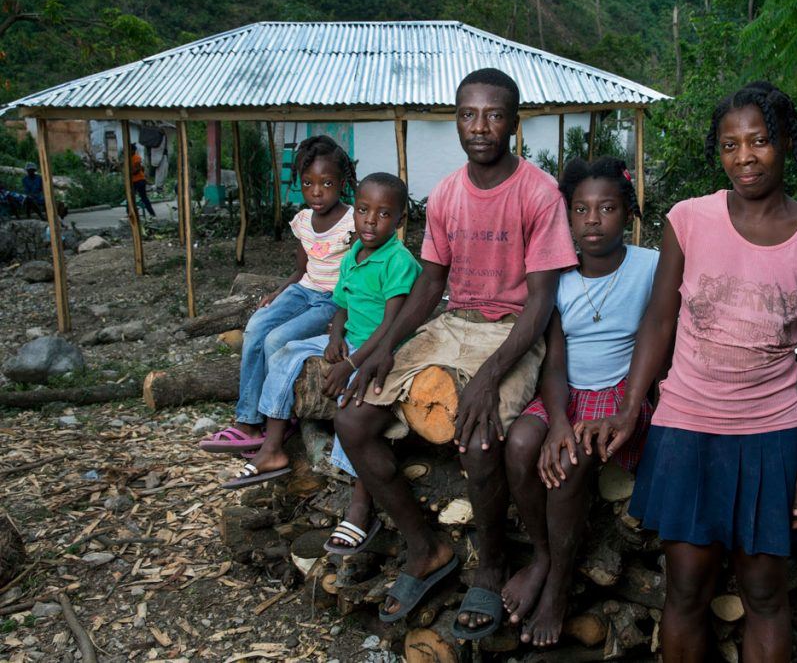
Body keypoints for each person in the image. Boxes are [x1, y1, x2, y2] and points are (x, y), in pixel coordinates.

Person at [576, 81, 797, 661]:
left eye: (759, 141)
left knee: (766, 595)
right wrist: (630, 409)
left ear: (786, 143)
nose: (744, 157)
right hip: (686, 429)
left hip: (772, 433)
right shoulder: (689, 219)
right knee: (685, 590)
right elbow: (659, 320)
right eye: (730, 145)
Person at [333, 68, 578, 636]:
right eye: (469, 114)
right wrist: (382, 348)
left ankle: (490, 567)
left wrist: (491, 376)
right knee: (352, 417)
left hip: (513, 329)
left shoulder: (539, 194)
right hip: (454, 322)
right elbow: (428, 285)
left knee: (480, 433)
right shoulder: (446, 192)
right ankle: (426, 547)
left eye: (494, 115)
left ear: (514, 123)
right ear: (456, 120)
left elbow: (541, 304)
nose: (480, 126)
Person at [221, 173, 421, 558]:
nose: (370, 221)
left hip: (380, 348)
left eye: (383, 214)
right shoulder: (352, 256)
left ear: (398, 221)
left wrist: (351, 361)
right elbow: (342, 306)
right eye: (363, 210)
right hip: (350, 339)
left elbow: (392, 326)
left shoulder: (398, 261)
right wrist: (333, 339)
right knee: (286, 352)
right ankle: (273, 446)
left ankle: (359, 496)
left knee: (358, 397)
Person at [501, 156, 658, 646]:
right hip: (564, 394)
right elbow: (554, 362)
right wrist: (558, 421)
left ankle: (558, 587)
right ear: (566, 217)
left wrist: (619, 410)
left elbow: (661, 342)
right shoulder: (557, 275)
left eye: (607, 208)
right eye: (581, 210)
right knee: (522, 442)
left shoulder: (651, 266)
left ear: (628, 212)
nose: (593, 220)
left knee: (568, 464)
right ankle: (542, 554)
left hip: (620, 397)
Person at [200, 135, 358, 453]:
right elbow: (301, 270)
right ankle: (247, 419)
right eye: (308, 183)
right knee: (258, 325)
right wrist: (279, 291)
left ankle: (279, 419)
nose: (316, 191)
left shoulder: (353, 221)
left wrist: (344, 323)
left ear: (341, 183)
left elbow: (358, 276)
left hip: (332, 300)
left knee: (277, 339)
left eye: (326, 183)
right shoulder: (302, 220)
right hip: (304, 291)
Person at [130, 145, 156, 219]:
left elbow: (137, 169)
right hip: (133, 181)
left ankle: (152, 213)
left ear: (133, 151)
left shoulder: (136, 158)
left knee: (143, 198)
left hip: (139, 180)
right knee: (130, 198)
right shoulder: (129, 158)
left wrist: (129, 172)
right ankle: (131, 213)